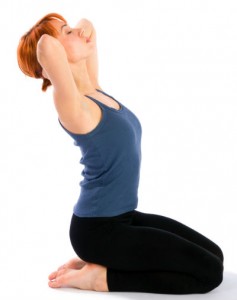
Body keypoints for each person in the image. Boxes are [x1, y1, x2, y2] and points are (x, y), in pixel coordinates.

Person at [17, 12, 224, 294]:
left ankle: (101, 262)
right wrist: (51, 46)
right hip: (98, 231)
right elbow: (44, 45)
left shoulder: (94, 89)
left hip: (123, 217)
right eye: (64, 34)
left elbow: (88, 25)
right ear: (47, 67)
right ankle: (101, 279)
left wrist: (73, 34)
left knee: (215, 255)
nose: (77, 32)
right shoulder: (72, 107)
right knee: (209, 274)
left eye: (69, 29)